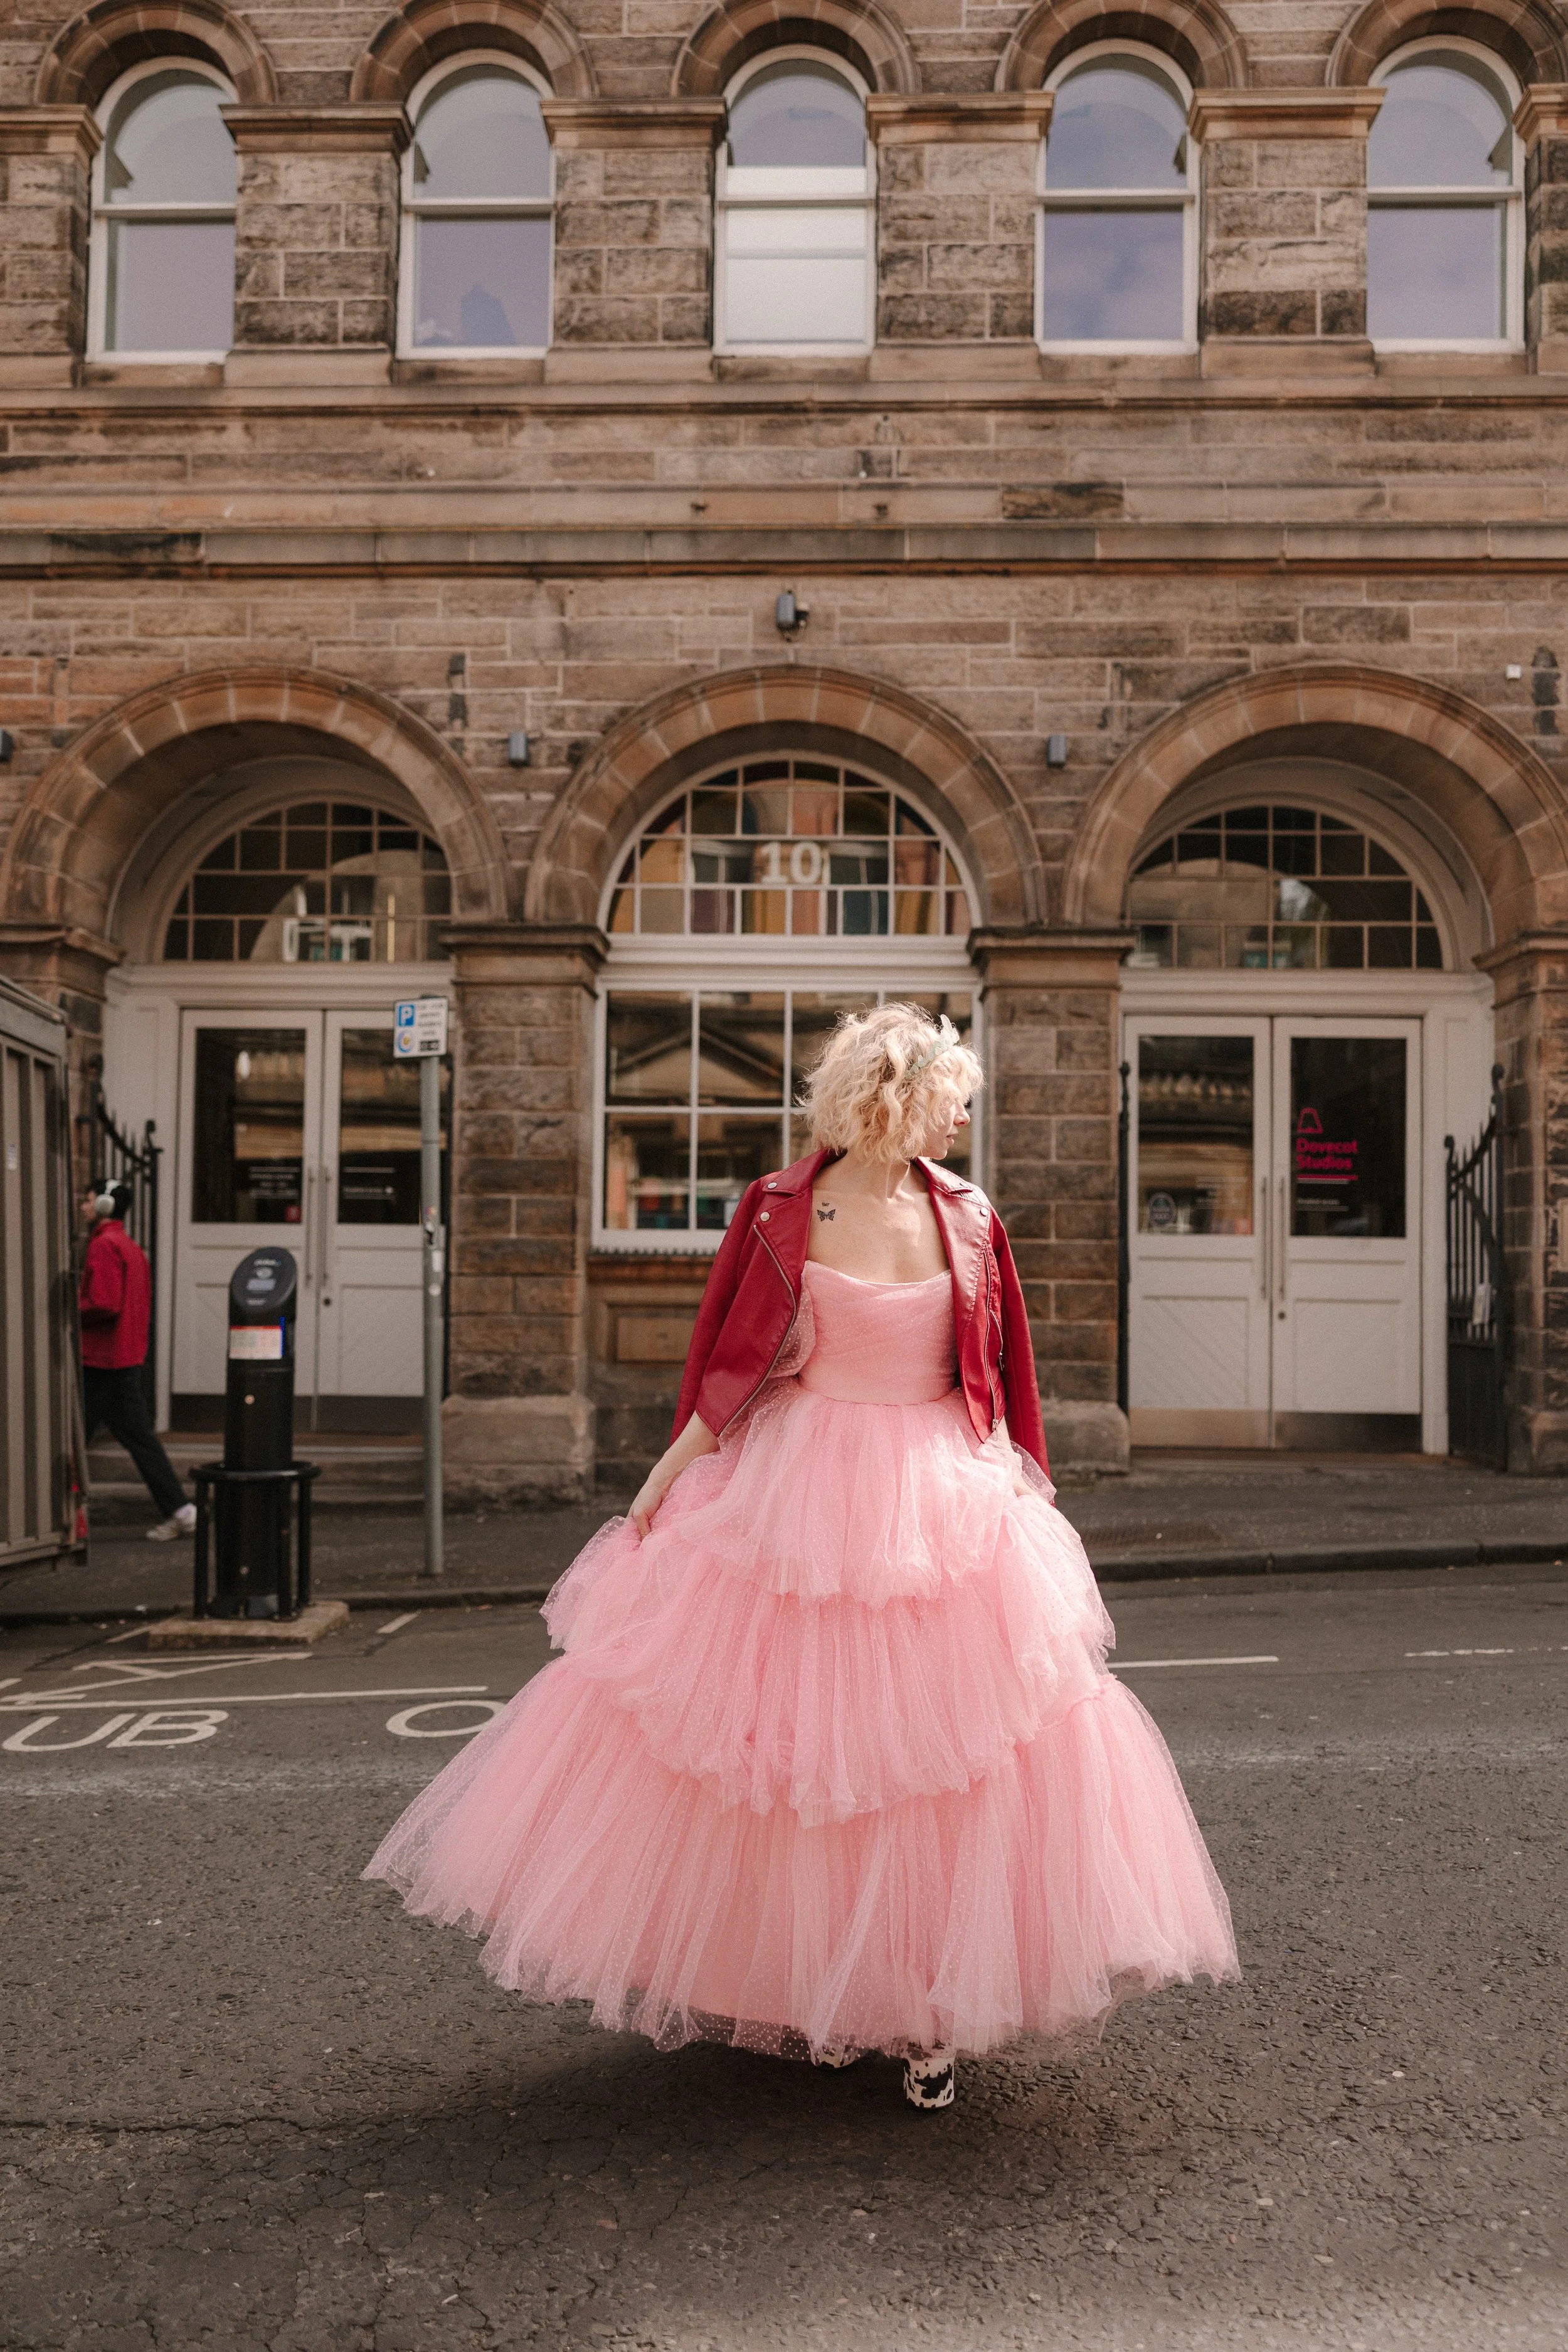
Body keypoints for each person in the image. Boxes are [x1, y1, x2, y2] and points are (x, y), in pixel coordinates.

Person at [366, 1004, 1237, 2108]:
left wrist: (1025, 1470)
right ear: (901, 1097)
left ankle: (926, 2010)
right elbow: (731, 1352)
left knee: (938, 1764)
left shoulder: (970, 1214)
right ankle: (799, 1985)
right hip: (794, 1491)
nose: (967, 1110)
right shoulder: (782, 1205)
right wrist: (667, 1470)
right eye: (953, 1090)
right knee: (781, 1765)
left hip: (941, 1499)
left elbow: (1002, 1364)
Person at [79, 1180, 194, 1542]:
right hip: (123, 1358)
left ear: (103, 1204)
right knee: (139, 1440)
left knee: (69, 1440)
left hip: (101, 1361)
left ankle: (60, 1521)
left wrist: (69, 1309)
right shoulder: (130, 1247)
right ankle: (181, 1511)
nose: (82, 1205)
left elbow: (104, 1303)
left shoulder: (103, 1246)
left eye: (86, 1199)